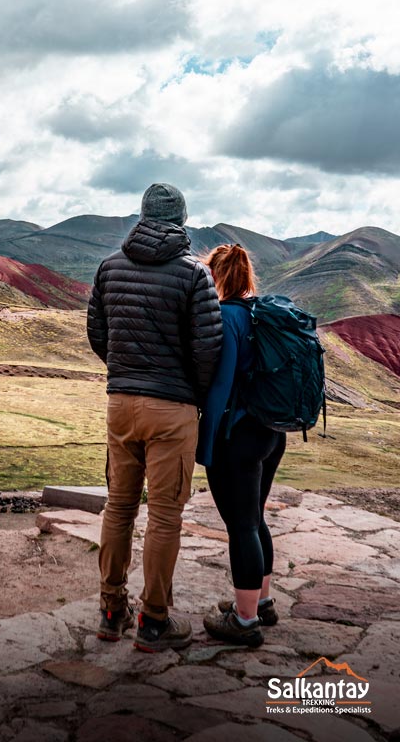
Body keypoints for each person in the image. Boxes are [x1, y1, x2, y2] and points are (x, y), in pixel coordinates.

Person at [87, 183, 223, 652]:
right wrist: (191, 391)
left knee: (119, 507)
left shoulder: (109, 267)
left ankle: (110, 611)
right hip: (173, 408)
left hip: (120, 404)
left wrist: (125, 371)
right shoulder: (193, 275)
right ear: (181, 220)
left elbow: (97, 333)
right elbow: (208, 346)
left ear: (142, 217)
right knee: (165, 517)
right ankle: (154, 621)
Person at [197, 244, 286, 648]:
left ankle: (244, 620)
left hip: (238, 436)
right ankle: (261, 601)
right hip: (271, 432)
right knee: (256, 517)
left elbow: (220, 383)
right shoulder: (260, 314)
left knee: (242, 525)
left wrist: (206, 438)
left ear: (214, 275)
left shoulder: (227, 316)